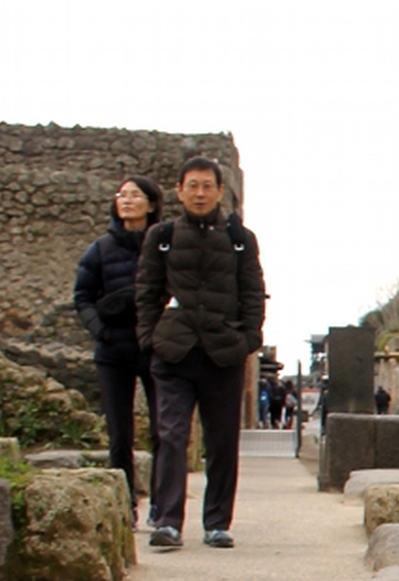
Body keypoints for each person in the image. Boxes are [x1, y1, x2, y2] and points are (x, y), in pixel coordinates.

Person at [135, 156, 265, 549]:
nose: (200, 193)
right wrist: (149, 338)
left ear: (220, 191)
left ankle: (217, 523)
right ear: (179, 190)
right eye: (192, 185)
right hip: (174, 351)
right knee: (172, 435)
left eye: (207, 186)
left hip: (222, 352)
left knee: (222, 442)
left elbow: (253, 292)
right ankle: (168, 521)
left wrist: (248, 339)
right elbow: (147, 290)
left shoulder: (241, 239)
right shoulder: (162, 236)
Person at [73, 174, 163, 519]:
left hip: (155, 349)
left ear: (150, 204)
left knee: (163, 432)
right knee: (119, 436)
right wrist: (101, 331)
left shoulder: (162, 246)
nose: (126, 200)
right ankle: (125, 507)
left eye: (135, 195)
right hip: (113, 351)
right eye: (122, 194)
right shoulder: (100, 249)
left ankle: (161, 507)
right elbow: (83, 296)